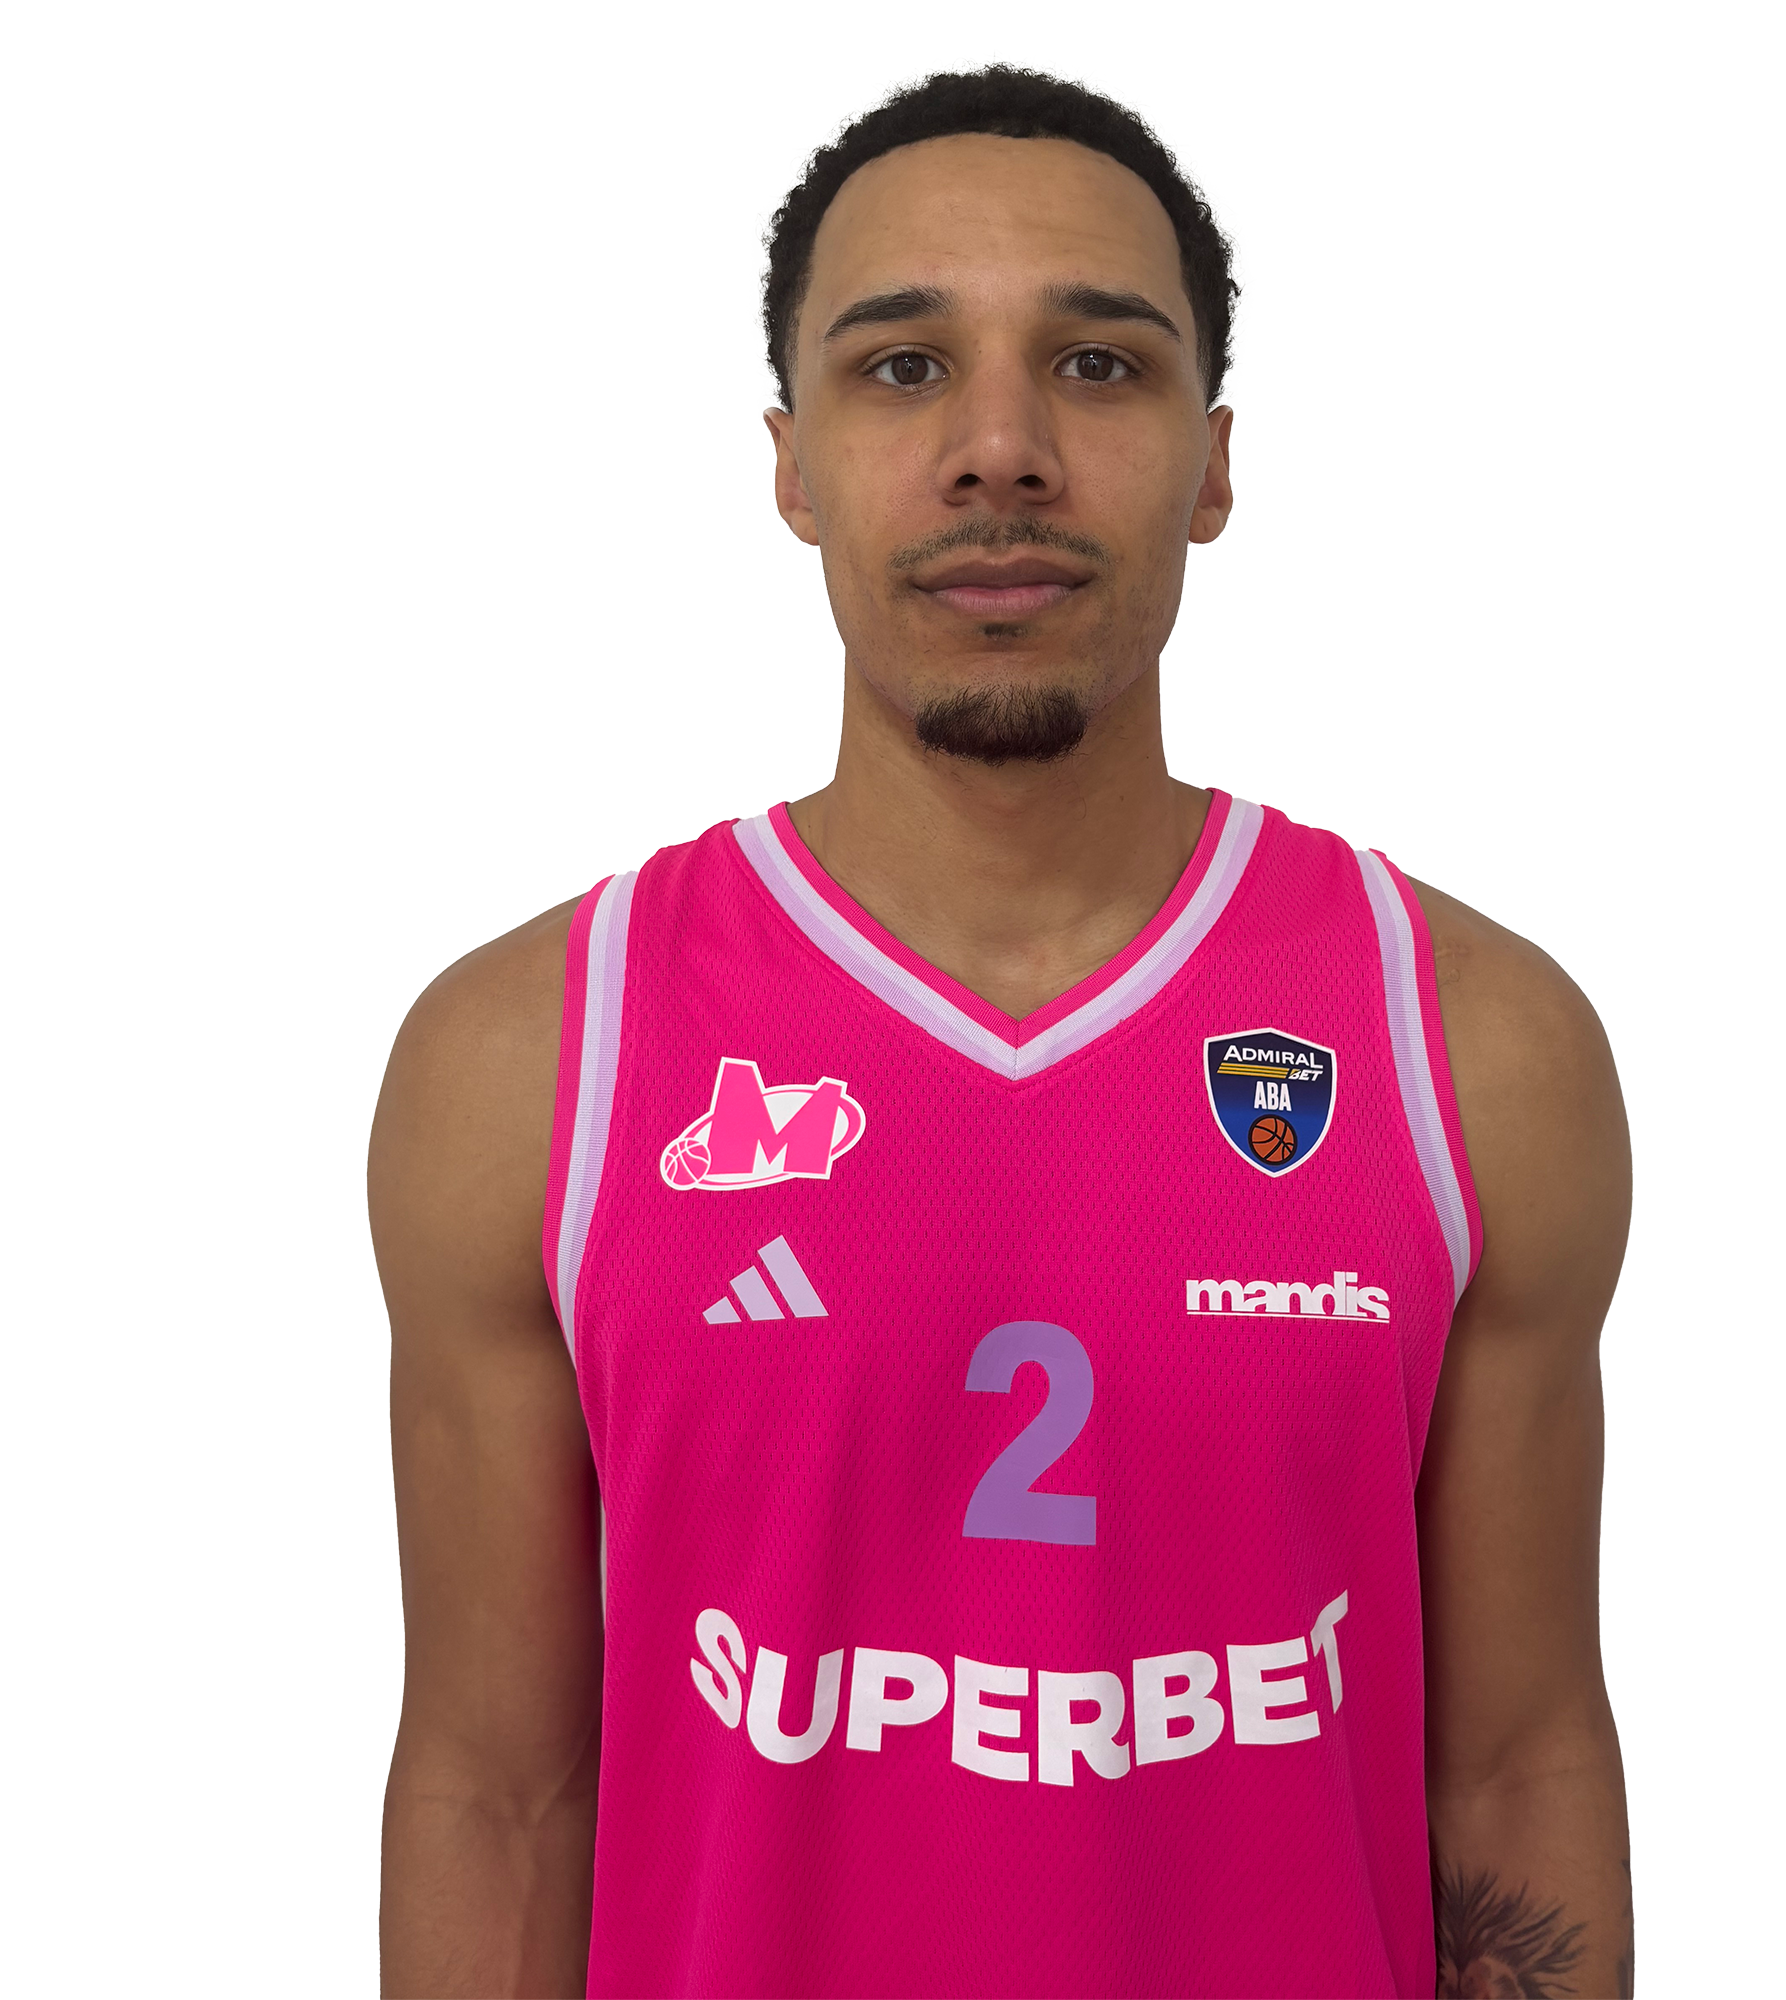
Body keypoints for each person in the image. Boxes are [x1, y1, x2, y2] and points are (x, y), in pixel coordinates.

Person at [371, 60, 1632, 2000]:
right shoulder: (532, 1061)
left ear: (1211, 462)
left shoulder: (1473, 1048)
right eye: (902, 368)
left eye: (1098, 366)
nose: (1000, 449)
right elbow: (498, 1796)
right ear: (791, 464)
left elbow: (1514, 1765)